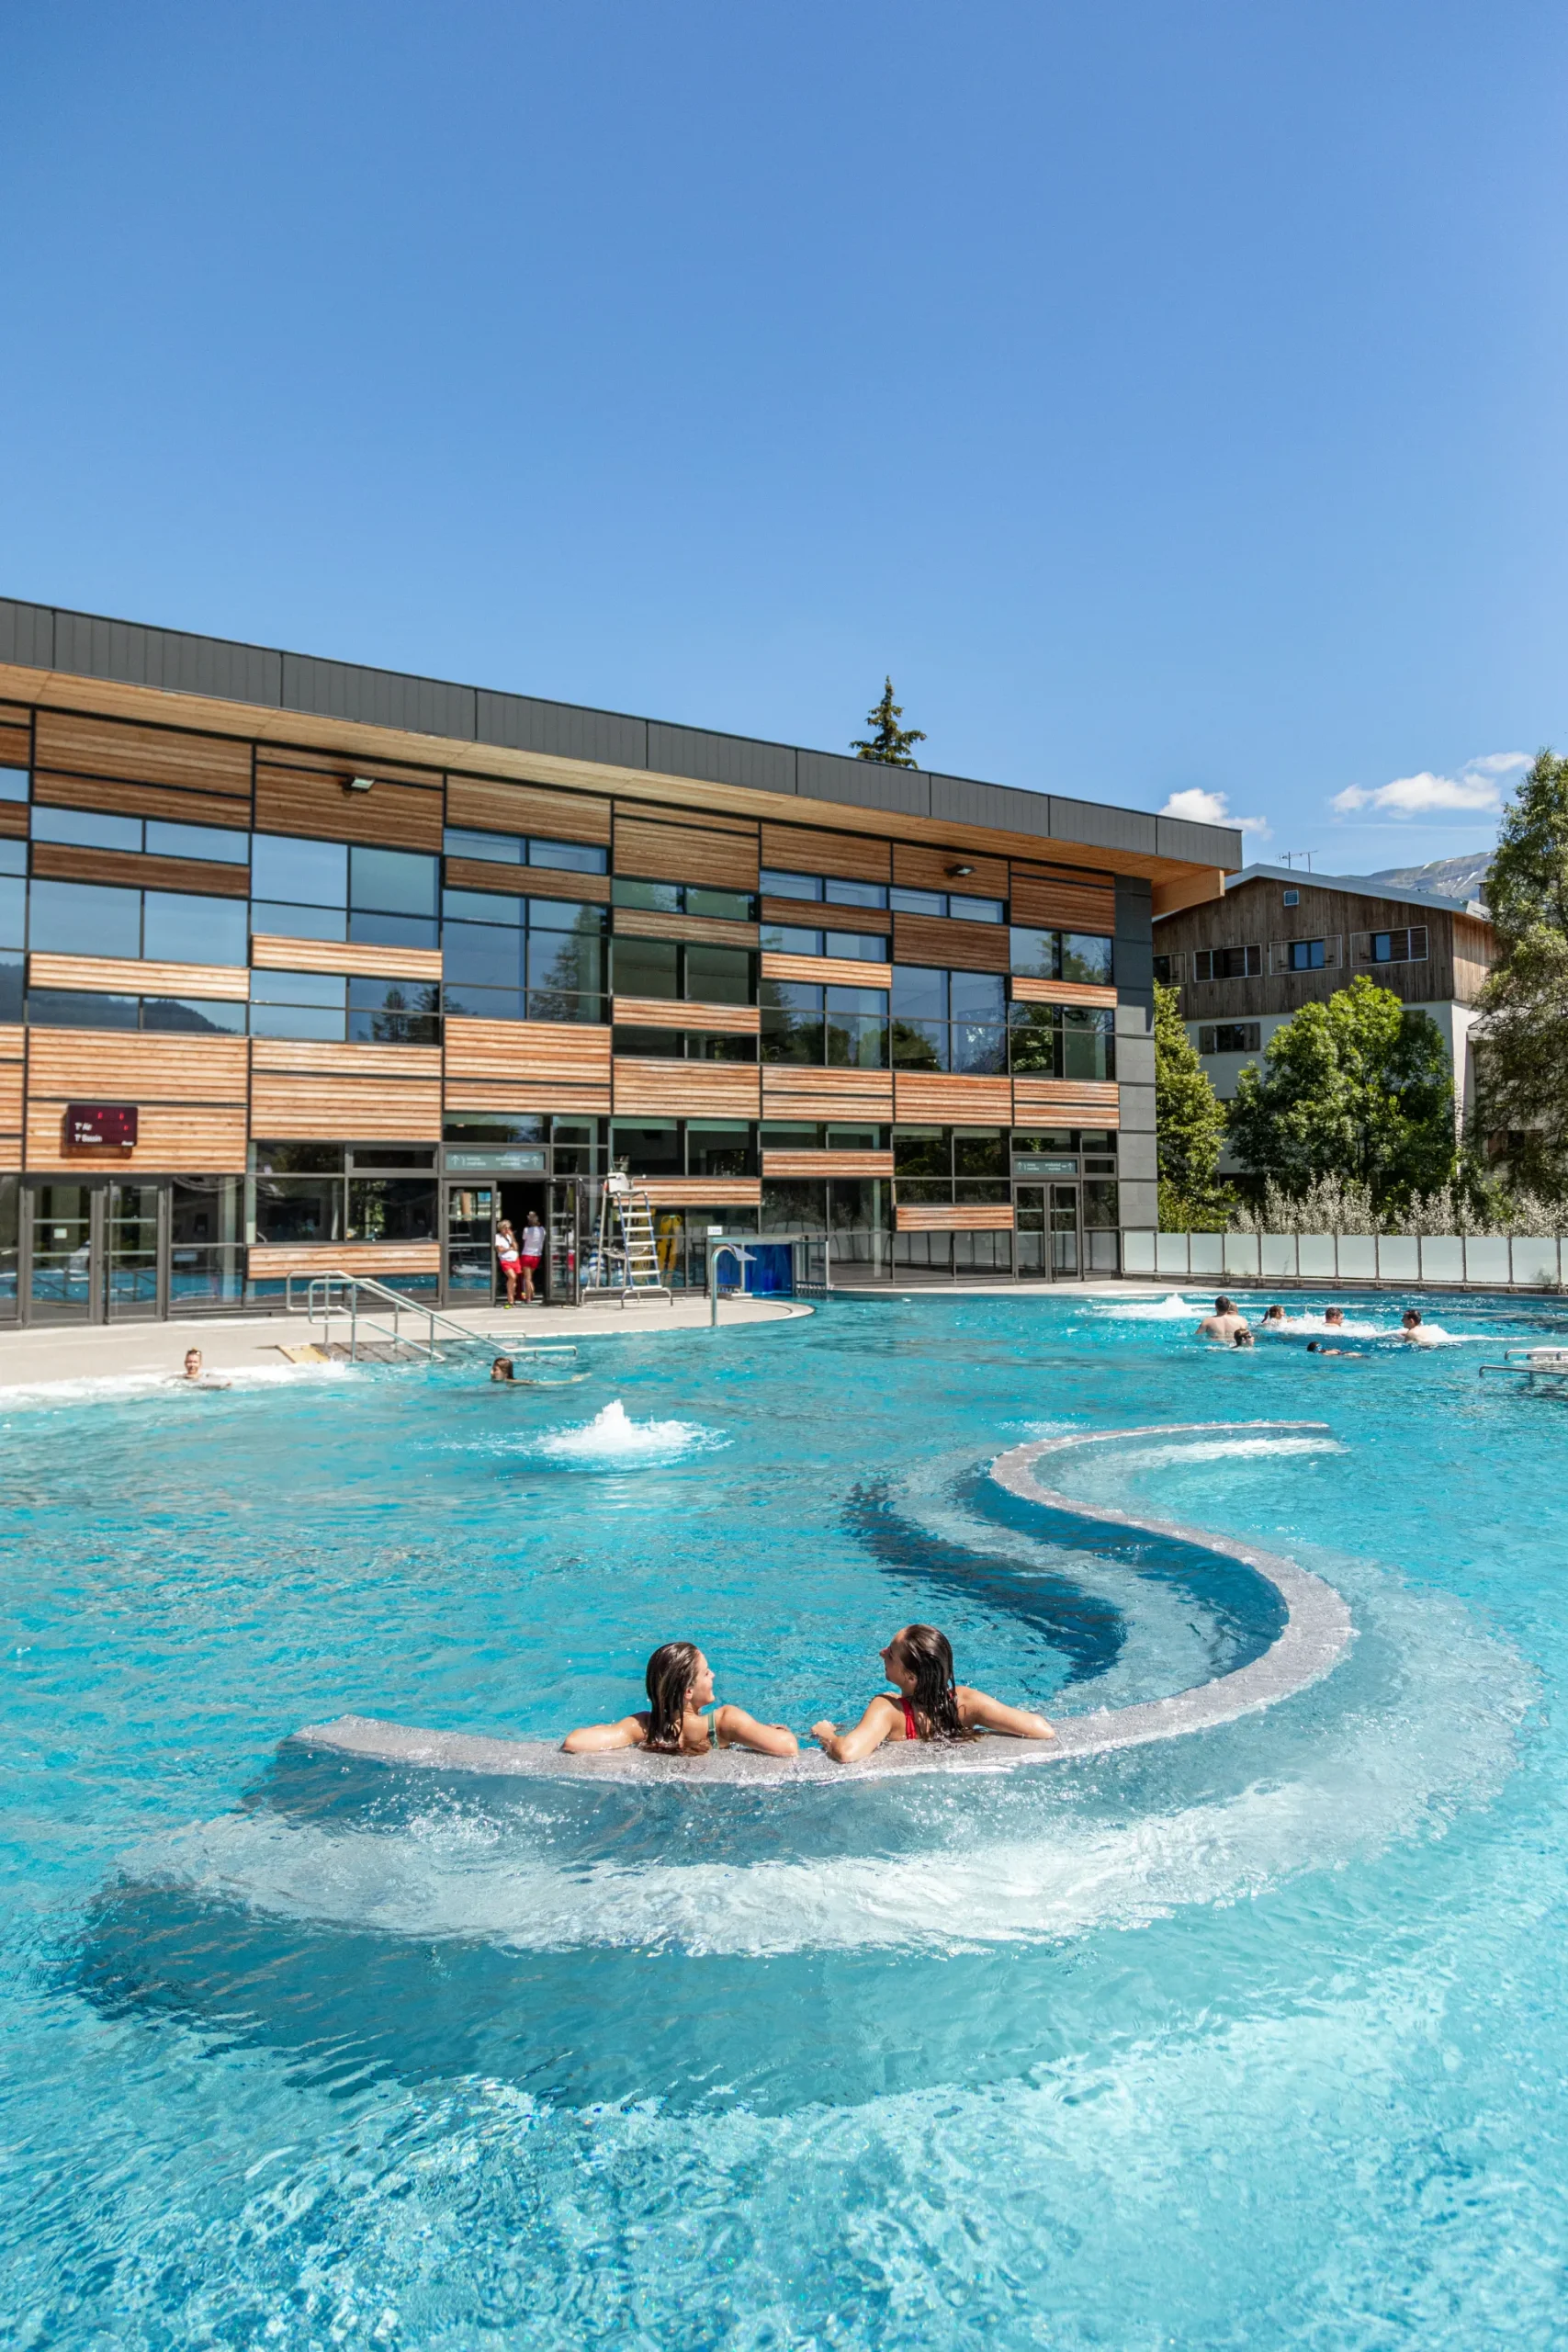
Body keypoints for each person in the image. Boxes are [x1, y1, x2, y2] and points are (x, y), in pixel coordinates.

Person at [812, 1623, 1055, 1763]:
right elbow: (1041, 1728)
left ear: (910, 1677)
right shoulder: (964, 1702)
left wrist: (827, 1734)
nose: (882, 1652)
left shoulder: (887, 1709)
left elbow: (846, 1752)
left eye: (891, 1654)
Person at [562, 1641, 799, 1758]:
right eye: (706, 1673)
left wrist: (604, 1728)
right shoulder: (725, 1721)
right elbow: (788, 1748)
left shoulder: (644, 1726)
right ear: (688, 1692)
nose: (713, 1675)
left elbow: (574, 1742)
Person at [520, 1210, 547, 1305]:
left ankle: (528, 1298)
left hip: (527, 1254)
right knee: (530, 1277)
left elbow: (524, 1240)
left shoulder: (526, 1230)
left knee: (527, 1278)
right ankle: (532, 1293)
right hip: (537, 1256)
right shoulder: (542, 1230)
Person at [494, 1219, 522, 1307]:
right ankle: (510, 1298)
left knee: (514, 1280)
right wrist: (510, 1248)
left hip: (515, 1259)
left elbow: (516, 1247)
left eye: (508, 1228)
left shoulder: (509, 1236)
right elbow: (500, 1249)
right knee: (512, 1277)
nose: (507, 1230)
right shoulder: (497, 1237)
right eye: (505, 1228)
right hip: (505, 1260)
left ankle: (511, 1300)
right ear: (501, 1228)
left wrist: (512, 1237)